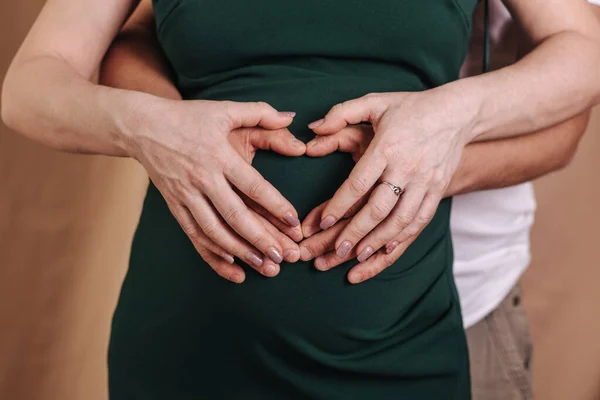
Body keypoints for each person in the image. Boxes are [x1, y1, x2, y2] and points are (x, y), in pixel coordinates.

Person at [2, 0, 600, 398]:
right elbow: (34, 81)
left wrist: (450, 119)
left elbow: (583, 50)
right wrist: (151, 126)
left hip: (406, 337)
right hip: (190, 344)